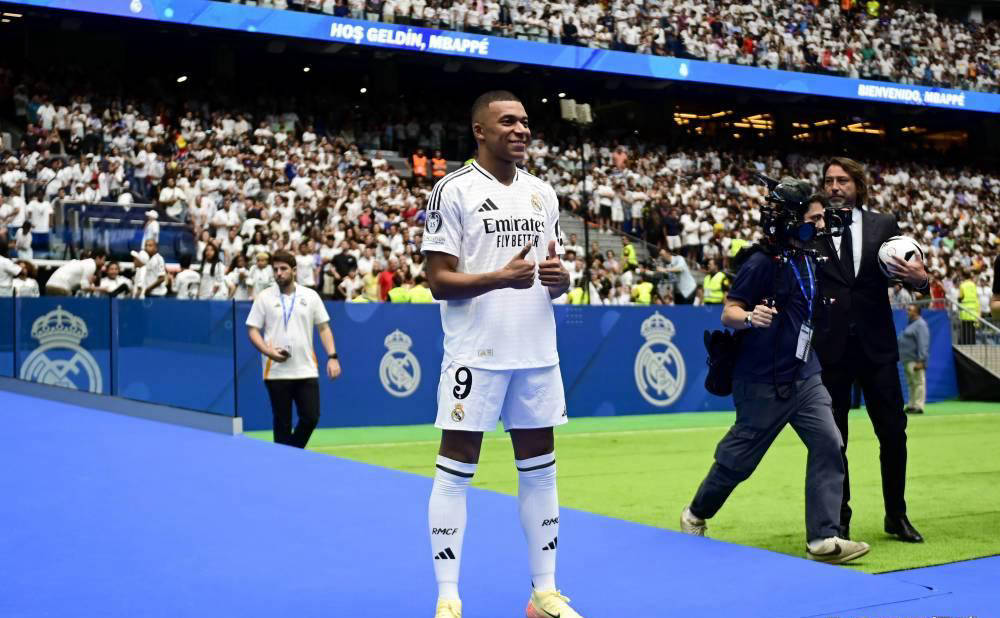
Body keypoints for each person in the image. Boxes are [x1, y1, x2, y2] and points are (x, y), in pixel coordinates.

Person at [421, 91, 580, 618]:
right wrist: (497, 278)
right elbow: (438, 281)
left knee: (540, 471)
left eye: (525, 121)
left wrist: (560, 280)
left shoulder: (542, 192)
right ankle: (448, 597)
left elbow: (552, 279)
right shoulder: (452, 190)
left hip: (535, 352)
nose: (520, 129)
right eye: (507, 121)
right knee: (455, 472)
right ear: (480, 131)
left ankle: (544, 593)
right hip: (476, 353)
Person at [679, 188, 870, 565]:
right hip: (761, 380)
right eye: (813, 218)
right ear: (791, 220)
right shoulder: (760, 263)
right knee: (738, 461)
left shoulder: (809, 258)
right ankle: (696, 513)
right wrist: (751, 317)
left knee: (829, 442)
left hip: (805, 373)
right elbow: (729, 312)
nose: (821, 224)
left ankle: (823, 538)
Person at [813, 157, 928, 543]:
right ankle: (839, 518)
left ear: (858, 185)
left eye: (842, 180)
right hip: (831, 349)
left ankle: (896, 515)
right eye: (829, 180)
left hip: (877, 347)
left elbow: (907, 272)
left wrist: (921, 280)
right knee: (834, 439)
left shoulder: (884, 224)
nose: (834, 186)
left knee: (894, 433)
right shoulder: (813, 227)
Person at [245, 250, 342, 449]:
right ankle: (286, 462)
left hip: (306, 369)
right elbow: (252, 330)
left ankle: (289, 453)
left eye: (283, 269)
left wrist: (332, 356)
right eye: (275, 269)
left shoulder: (311, 296)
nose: (279, 273)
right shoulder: (264, 297)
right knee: (282, 423)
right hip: (275, 371)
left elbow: (323, 328)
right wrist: (268, 352)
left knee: (311, 417)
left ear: (294, 270)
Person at [898, 304, 930, 415]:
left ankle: (919, 406)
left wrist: (921, 360)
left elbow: (923, 343)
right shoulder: (911, 324)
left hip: (915, 360)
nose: (907, 312)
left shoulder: (921, 324)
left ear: (916, 312)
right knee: (911, 383)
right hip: (907, 359)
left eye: (910, 310)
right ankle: (911, 405)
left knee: (919, 382)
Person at [957, 269, 980, 345]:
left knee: (965, 333)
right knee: (972, 332)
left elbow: (960, 297)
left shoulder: (962, 285)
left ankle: (965, 346)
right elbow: (976, 297)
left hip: (965, 312)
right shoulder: (973, 285)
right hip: (973, 311)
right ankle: (972, 346)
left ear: (963, 276)